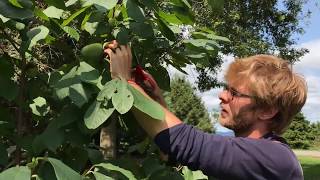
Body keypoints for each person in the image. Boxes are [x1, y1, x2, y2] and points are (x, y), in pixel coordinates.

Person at [104, 41, 307, 180]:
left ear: (267, 111)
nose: (222, 95)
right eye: (227, 87)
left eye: (234, 93)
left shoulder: (276, 159)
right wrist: (156, 97)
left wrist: (126, 82)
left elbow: (184, 142)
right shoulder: (251, 153)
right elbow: (175, 154)